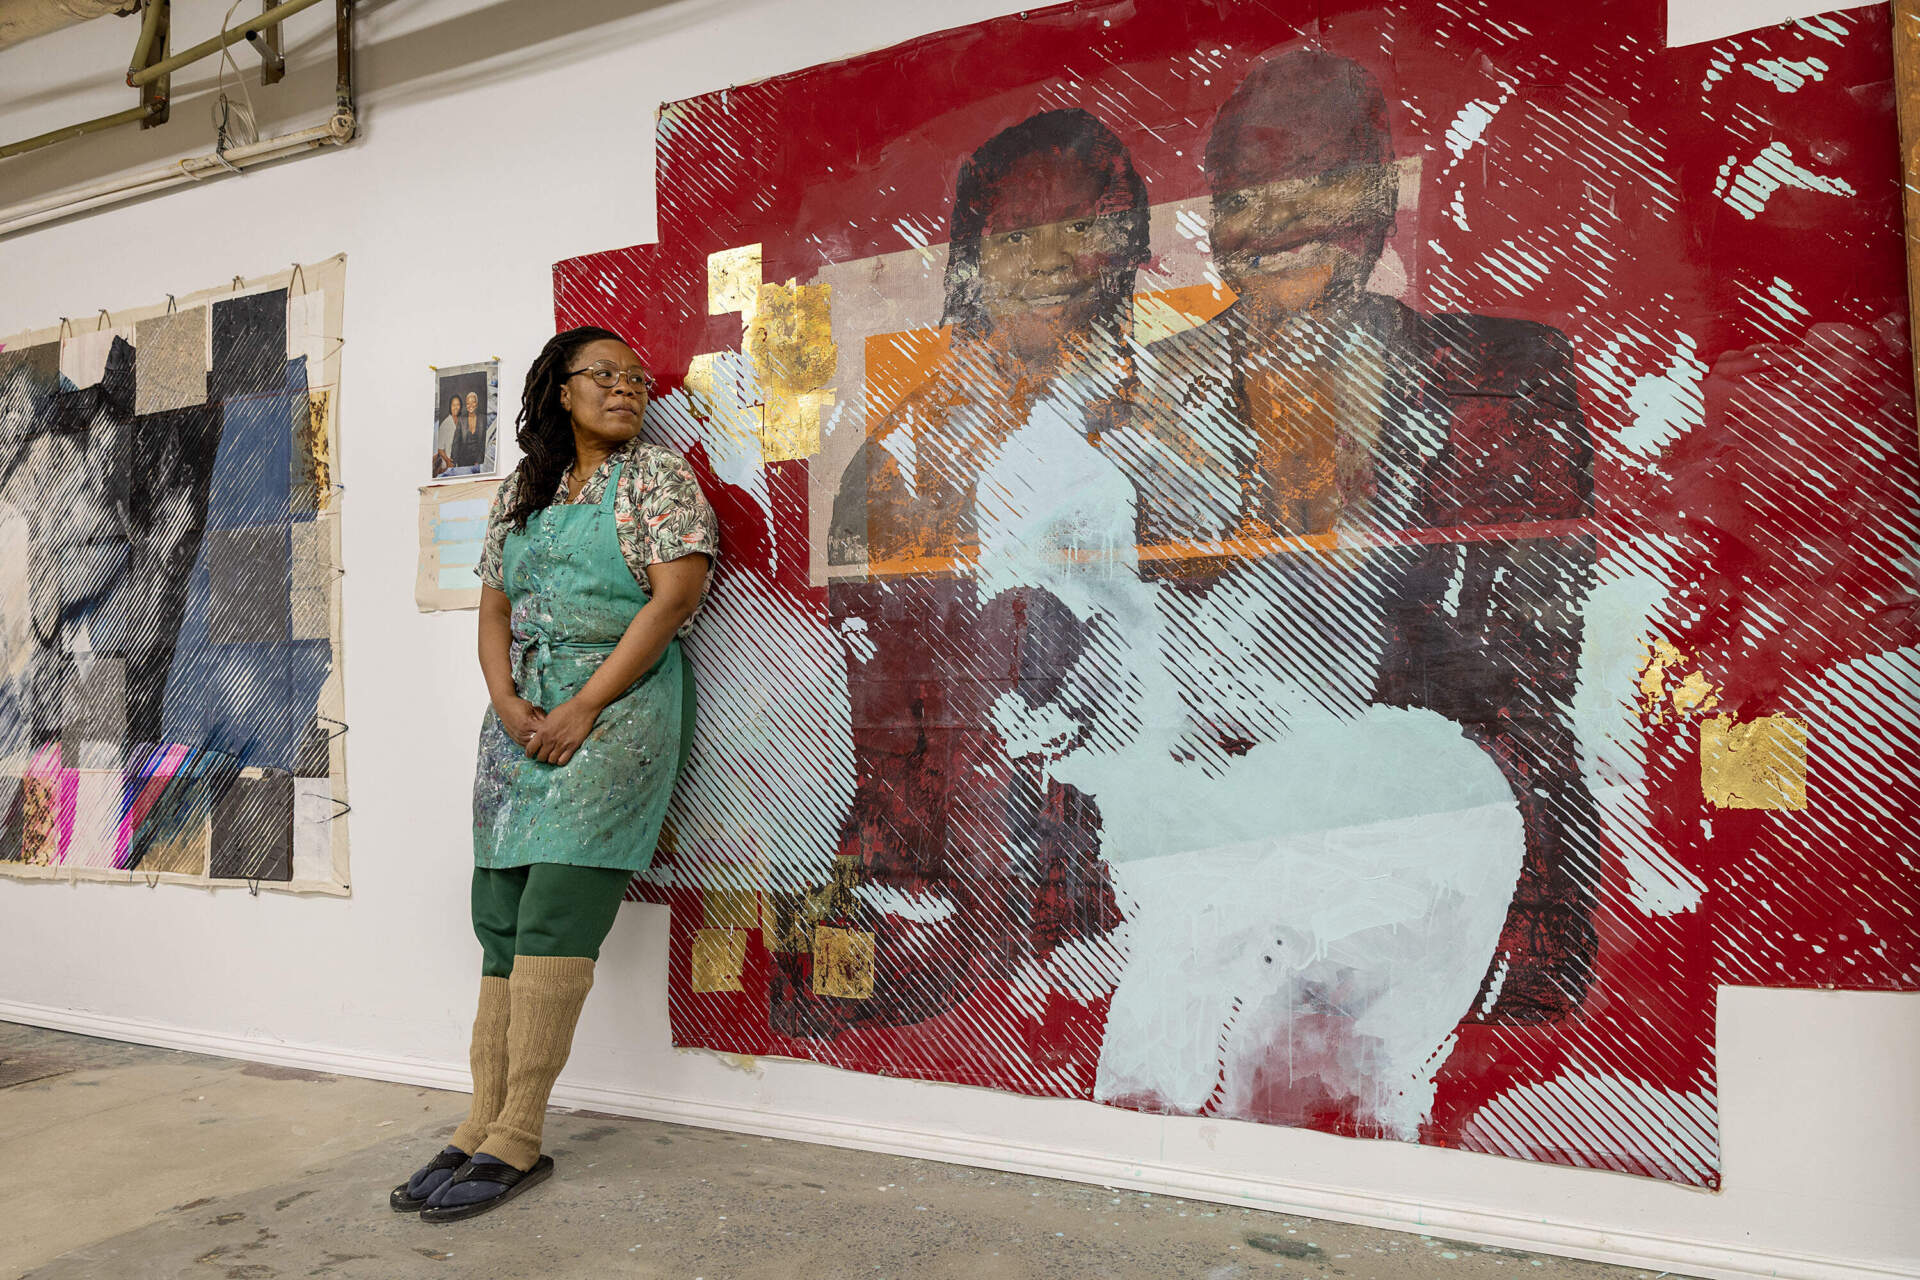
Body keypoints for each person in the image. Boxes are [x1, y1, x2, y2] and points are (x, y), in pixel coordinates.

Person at [798, 108, 1147, 1044]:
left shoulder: (1166, 427)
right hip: (941, 873)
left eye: (1082, 227)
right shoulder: (902, 454)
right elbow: (879, 729)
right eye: (1016, 235)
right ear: (972, 260)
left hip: (1113, 866)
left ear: (1126, 246)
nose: (1047, 258)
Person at [390, 325, 717, 1221]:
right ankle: (476, 1124)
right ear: (560, 391)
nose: (625, 388)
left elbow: (675, 599)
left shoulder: (656, 480)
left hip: (614, 715)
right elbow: (493, 608)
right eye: (602, 375)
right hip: (520, 720)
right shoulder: (522, 493)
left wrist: (583, 708)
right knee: (498, 918)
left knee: (556, 913)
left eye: (635, 377)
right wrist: (506, 702)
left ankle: (519, 1135)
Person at [449, 388, 488, 470]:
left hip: (478, 460)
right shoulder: (461, 420)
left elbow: (484, 442)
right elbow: (456, 442)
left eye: (473, 402)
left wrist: (479, 461)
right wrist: (453, 462)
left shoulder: (483, 419)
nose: (470, 405)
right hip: (463, 461)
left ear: (476, 404)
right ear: (466, 405)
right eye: (468, 403)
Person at [433, 390, 463, 477]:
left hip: (459, 462)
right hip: (448, 465)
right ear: (450, 407)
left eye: (458, 405)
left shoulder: (461, 421)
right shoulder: (445, 425)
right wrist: (448, 461)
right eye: (453, 405)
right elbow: (440, 449)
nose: (456, 407)